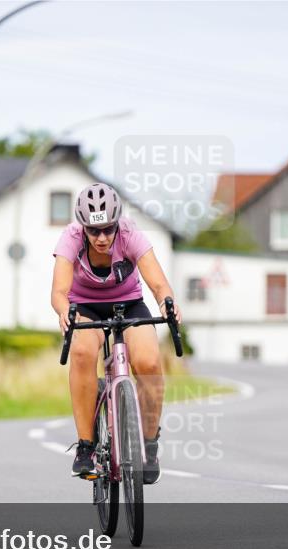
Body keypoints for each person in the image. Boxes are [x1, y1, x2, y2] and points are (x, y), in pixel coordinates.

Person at [51, 182, 181, 484]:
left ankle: (149, 444)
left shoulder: (131, 235)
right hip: (85, 307)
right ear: (82, 227)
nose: (101, 238)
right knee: (82, 352)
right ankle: (85, 448)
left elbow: (159, 285)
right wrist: (63, 312)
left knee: (148, 363)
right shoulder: (70, 239)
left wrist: (166, 303)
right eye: (93, 231)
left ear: (117, 223)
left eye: (108, 229)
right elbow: (59, 291)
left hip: (130, 304)